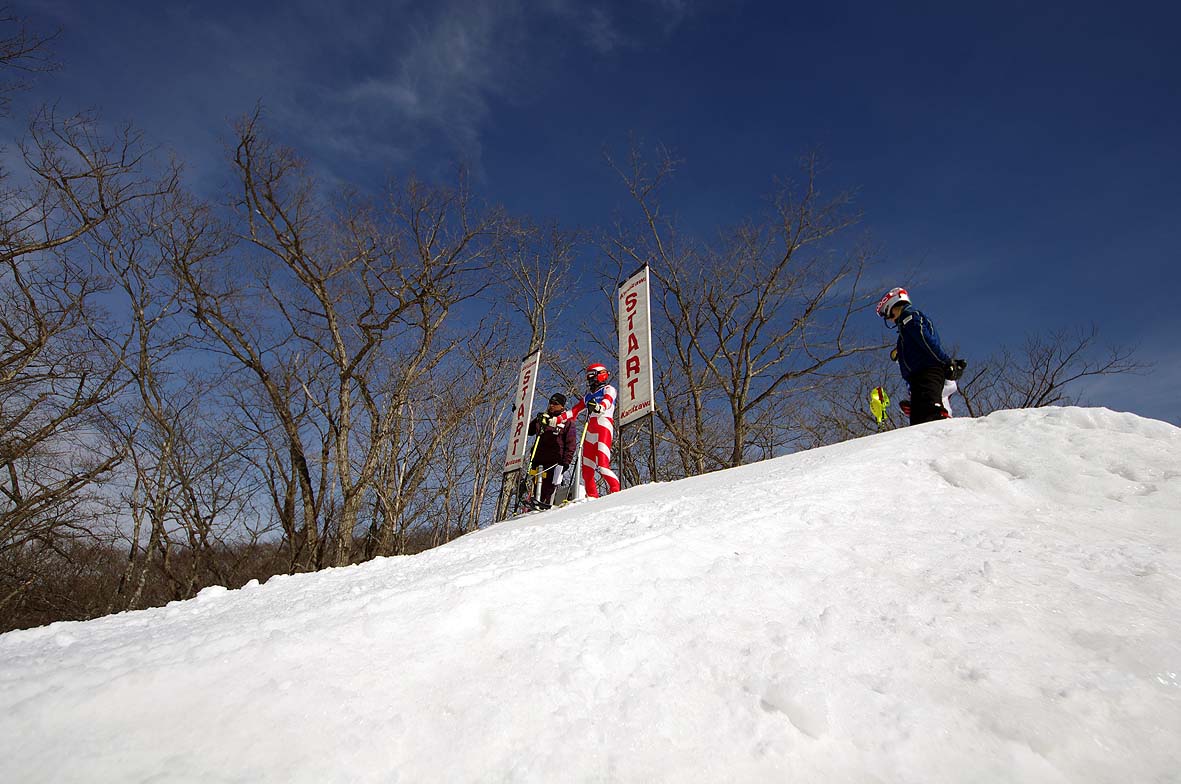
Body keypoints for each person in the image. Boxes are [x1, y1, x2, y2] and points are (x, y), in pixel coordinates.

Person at [876, 287, 965, 425]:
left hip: (928, 371)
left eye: (888, 315)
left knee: (931, 414)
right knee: (918, 423)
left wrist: (946, 361)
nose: (890, 319)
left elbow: (925, 340)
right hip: (917, 377)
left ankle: (946, 431)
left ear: (892, 305)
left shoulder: (910, 317)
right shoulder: (905, 329)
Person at [551, 363, 620, 498]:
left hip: (603, 426)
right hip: (590, 431)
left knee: (603, 466)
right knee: (587, 471)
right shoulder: (588, 396)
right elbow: (575, 411)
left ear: (600, 375)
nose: (589, 379)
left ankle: (616, 492)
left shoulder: (608, 389)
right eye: (588, 376)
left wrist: (600, 407)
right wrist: (557, 419)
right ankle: (592, 497)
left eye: (591, 376)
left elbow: (608, 400)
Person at [526, 393, 579, 508]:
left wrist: (566, 462)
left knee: (548, 488)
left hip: (554, 460)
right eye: (550, 402)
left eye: (555, 403)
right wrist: (536, 420)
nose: (551, 405)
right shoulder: (544, 417)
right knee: (535, 487)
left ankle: (546, 506)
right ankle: (533, 507)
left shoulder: (567, 421)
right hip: (538, 458)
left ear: (562, 406)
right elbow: (529, 432)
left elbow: (571, 443)